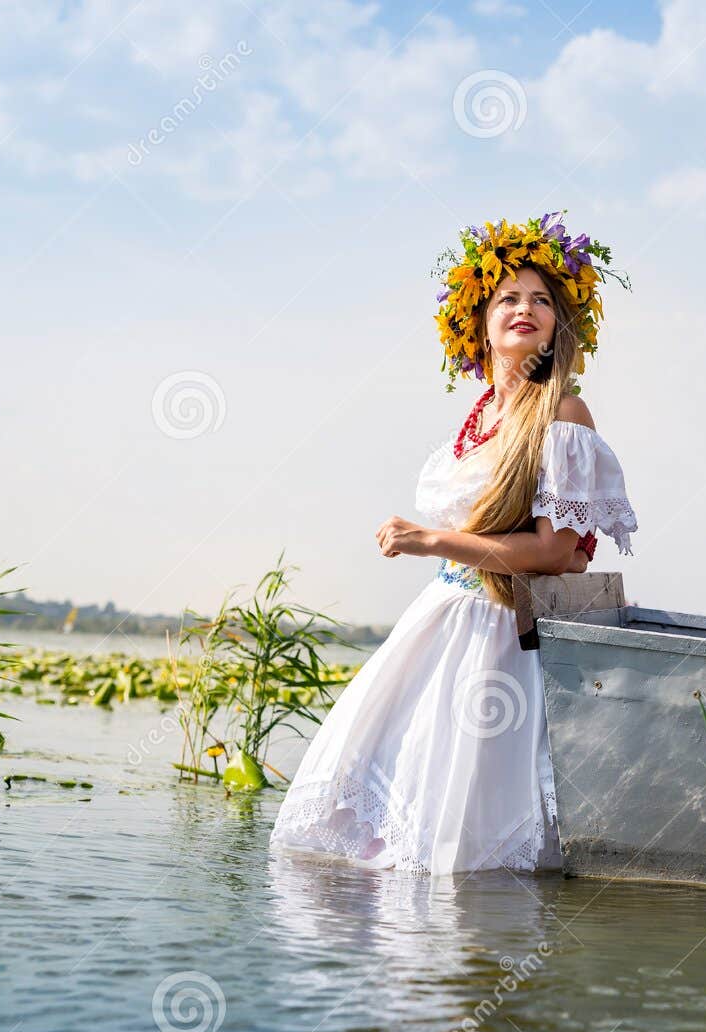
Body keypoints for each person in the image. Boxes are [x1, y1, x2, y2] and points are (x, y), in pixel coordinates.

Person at [269, 211, 637, 874]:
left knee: (467, 831)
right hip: (438, 624)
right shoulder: (476, 420)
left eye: (542, 300)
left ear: (559, 324)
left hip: (500, 634)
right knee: (376, 819)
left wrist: (434, 539)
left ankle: (477, 941)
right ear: (480, 321)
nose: (525, 308)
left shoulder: (563, 415)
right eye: (507, 298)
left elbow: (557, 553)